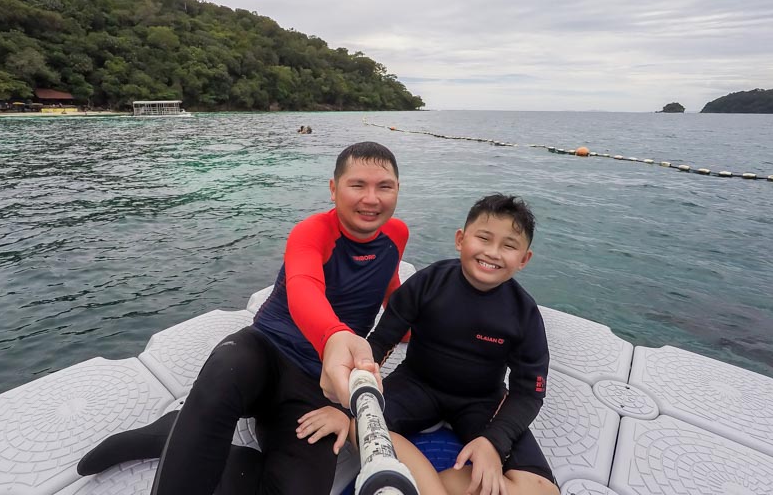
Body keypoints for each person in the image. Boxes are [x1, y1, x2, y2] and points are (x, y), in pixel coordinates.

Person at [77, 141, 408, 495]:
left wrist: (421, 332)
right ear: (333, 189)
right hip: (265, 351)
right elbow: (302, 287)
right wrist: (334, 336)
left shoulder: (396, 235)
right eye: (357, 185)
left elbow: (388, 288)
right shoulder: (313, 232)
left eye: (383, 186)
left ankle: (209, 447)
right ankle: (182, 431)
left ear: (397, 191)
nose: (371, 199)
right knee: (224, 369)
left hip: (317, 386)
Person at [297, 194, 558, 495]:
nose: (493, 253)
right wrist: (344, 406)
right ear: (461, 239)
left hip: (481, 401)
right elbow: (380, 342)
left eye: (509, 246)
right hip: (416, 385)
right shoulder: (428, 283)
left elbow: (528, 393)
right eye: (483, 238)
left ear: (524, 259)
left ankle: (418, 486)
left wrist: (492, 442)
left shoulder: (524, 313)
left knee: (541, 489)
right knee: (356, 425)